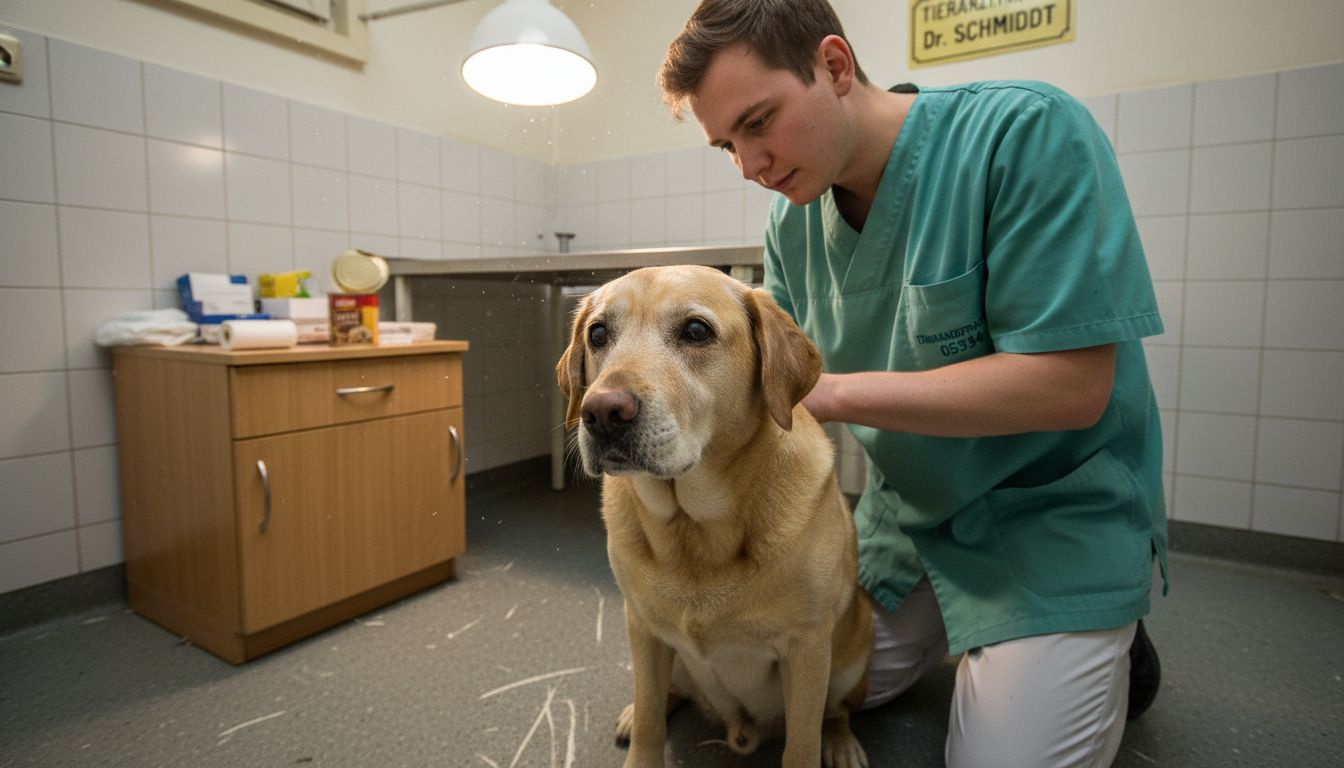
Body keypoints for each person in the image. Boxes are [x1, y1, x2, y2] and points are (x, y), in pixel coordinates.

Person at [658, 1, 1167, 766]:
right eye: (727, 144)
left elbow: (1071, 386)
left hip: (1052, 518)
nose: (750, 165)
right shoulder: (791, 224)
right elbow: (765, 382)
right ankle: (1009, 649)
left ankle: (1095, 634)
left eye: (759, 123)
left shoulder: (1026, 134)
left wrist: (834, 395)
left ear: (833, 66)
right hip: (912, 517)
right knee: (815, 681)